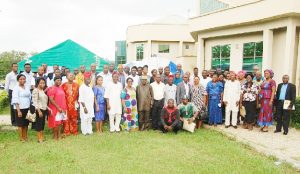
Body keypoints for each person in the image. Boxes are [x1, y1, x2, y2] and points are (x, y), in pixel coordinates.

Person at [12, 74, 31, 142]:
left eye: (24, 79)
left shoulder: (26, 87)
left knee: (26, 123)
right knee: (20, 124)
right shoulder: (16, 88)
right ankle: (21, 138)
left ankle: (25, 136)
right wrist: (18, 110)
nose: (22, 80)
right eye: (21, 79)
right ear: (18, 80)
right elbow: (15, 99)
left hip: (26, 107)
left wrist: (30, 107)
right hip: (19, 108)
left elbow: (29, 97)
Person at [47, 76, 67, 140]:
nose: (59, 81)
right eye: (57, 80)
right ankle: (55, 136)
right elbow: (51, 99)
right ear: (54, 81)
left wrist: (63, 108)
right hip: (55, 108)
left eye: (60, 80)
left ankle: (59, 135)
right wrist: (58, 107)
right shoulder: (52, 88)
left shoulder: (60, 88)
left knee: (60, 122)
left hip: (62, 108)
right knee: (56, 122)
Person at [32, 78, 48, 143]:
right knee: (39, 124)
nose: (42, 84)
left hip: (43, 109)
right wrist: (38, 111)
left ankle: (41, 137)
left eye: (43, 83)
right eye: (41, 83)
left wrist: (49, 109)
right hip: (39, 109)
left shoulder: (42, 90)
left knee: (42, 124)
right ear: (38, 83)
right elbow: (35, 102)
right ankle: (39, 139)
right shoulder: (36, 90)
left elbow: (44, 102)